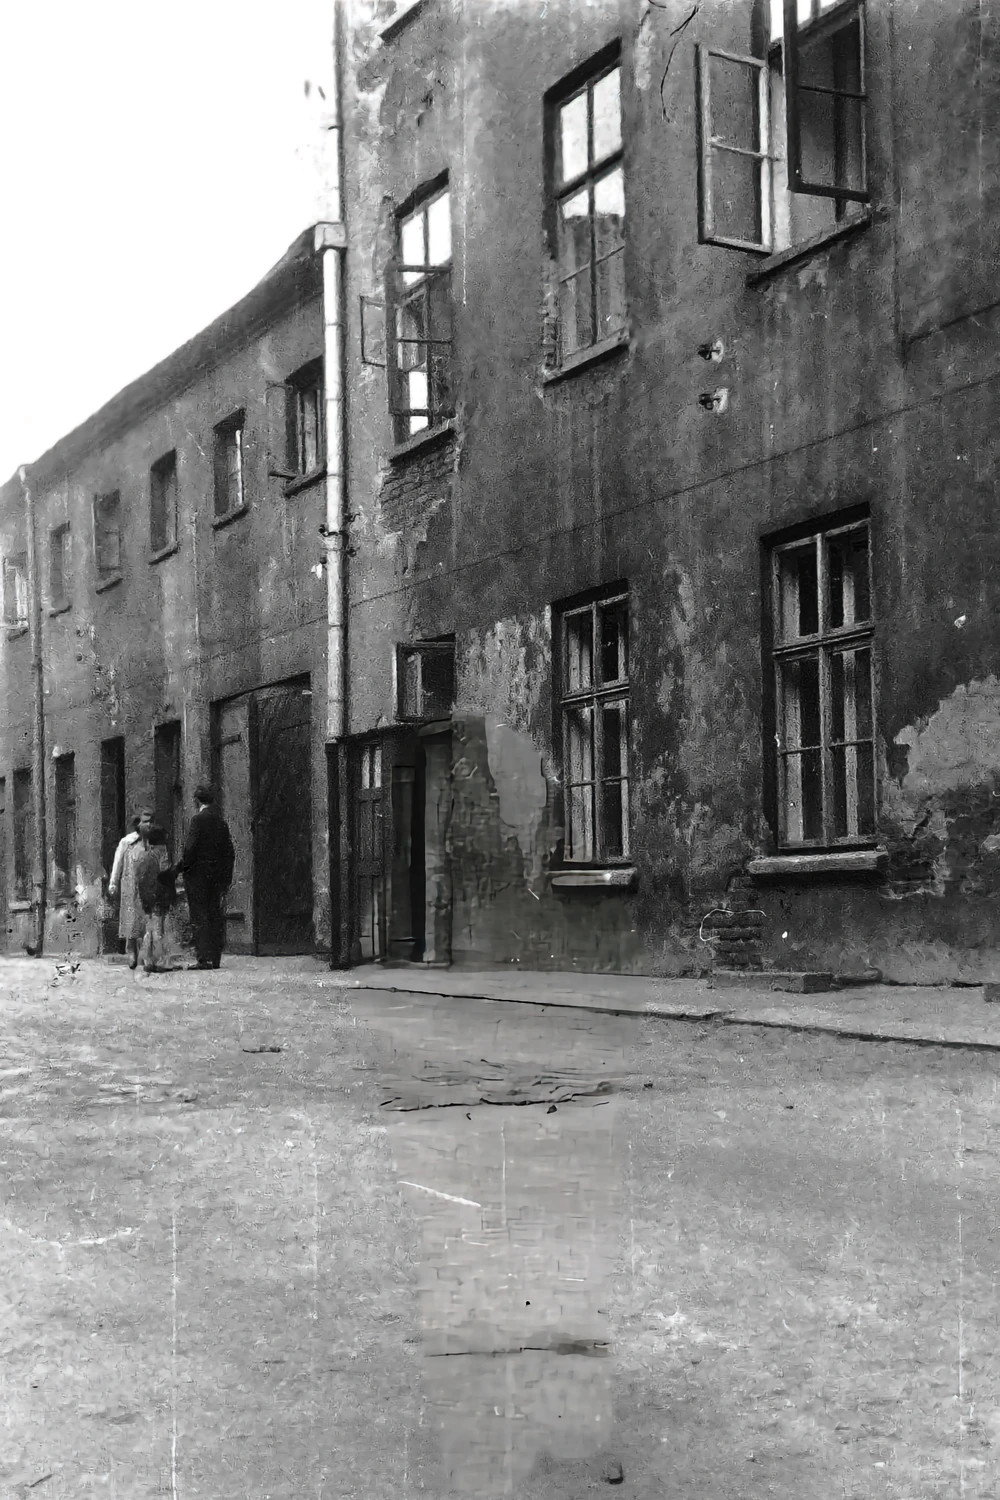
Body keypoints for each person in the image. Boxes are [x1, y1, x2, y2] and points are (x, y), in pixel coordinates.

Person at [173, 784, 235, 970]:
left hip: (198, 877)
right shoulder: (220, 822)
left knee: (200, 916)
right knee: (214, 914)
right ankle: (215, 957)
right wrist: (226, 877)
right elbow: (229, 852)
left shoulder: (197, 821)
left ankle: (203, 958)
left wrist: (178, 869)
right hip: (216, 878)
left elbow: (190, 849)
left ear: (196, 801)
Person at [108, 810, 152, 969]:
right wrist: (113, 882)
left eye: (149, 822)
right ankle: (131, 951)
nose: (148, 825)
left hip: (148, 884)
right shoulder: (127, 842)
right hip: (130, 884)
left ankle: (147, 954)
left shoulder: (152, 841)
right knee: (131, 919)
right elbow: (117, 862)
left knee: (148, 920)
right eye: (145, 822)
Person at [135, 824, 175, 973]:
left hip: (148, 898)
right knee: (158, 930)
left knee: (150, 929)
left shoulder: (144, 857)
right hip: (158, 897)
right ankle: (159, 961)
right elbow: (164, 874)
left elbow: (141, 881)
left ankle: (148, 960)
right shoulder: (160, 856)